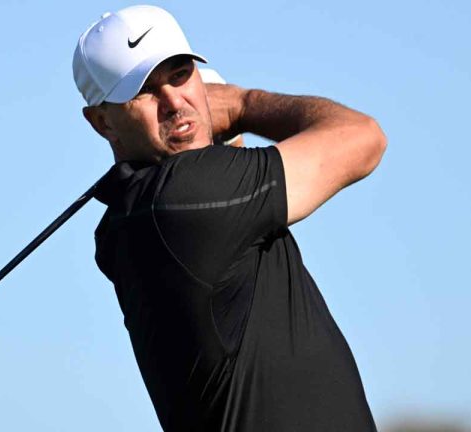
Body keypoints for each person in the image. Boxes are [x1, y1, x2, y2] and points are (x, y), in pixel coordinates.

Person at [73, 5, 386, 431]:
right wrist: (242, 103)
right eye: (144, 90)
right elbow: (363, 138)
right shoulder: (186, 197)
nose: (174, 102)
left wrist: (224, 141)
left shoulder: (132, 217)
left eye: (180, 74)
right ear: (102, 122)